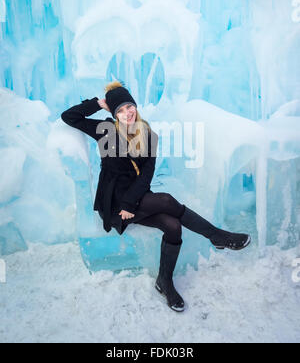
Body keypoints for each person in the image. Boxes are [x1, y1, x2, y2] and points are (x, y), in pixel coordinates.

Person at [61, 81, 251, 312]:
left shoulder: (148, 134)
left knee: (173, 226)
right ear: (113, 112)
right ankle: (217, 236)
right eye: (119, 110)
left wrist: (132, 201)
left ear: (135, 106)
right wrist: (98, 104)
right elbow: (69, 116)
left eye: (129, 106)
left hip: (137, 197)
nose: (126, 113)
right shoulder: (105, 129)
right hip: (113, 202)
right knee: (167, 201)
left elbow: (146, 174)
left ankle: (165, 282)